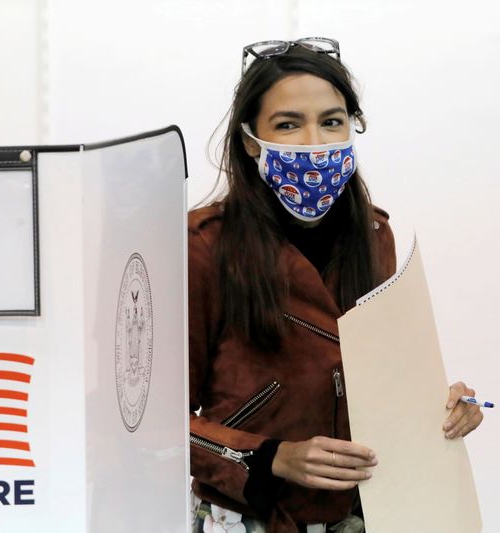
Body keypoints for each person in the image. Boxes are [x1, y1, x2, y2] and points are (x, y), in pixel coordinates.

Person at [189, 38, 484, 533]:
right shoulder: (205, 247)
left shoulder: (373, 236)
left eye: (331, 121)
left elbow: (386, 385)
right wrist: (270, 458)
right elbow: (151, 424)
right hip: (245, 519)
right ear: (249, 141)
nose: (314, 142)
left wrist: (449, 409)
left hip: (362, 518)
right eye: (287, 123)